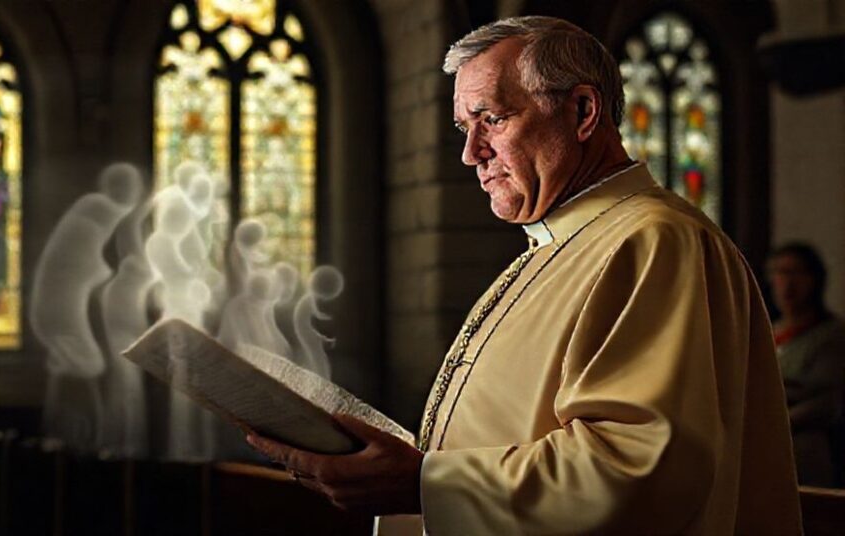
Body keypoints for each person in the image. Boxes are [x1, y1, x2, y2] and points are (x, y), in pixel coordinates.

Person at [246, 16, 802, 534]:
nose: (470, 153)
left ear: (583, 111)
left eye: (492, 119)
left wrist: (420, 482)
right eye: (464, 126)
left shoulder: (655, 241)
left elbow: (640, 470)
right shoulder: (560, 244)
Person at [768, 243, 845, 487]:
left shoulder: (832, 335)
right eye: (780, 273)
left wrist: (776, 425)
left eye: (796, 273)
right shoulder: (767, 332)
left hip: (803, 448)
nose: (788, 284)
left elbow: (825, 401)